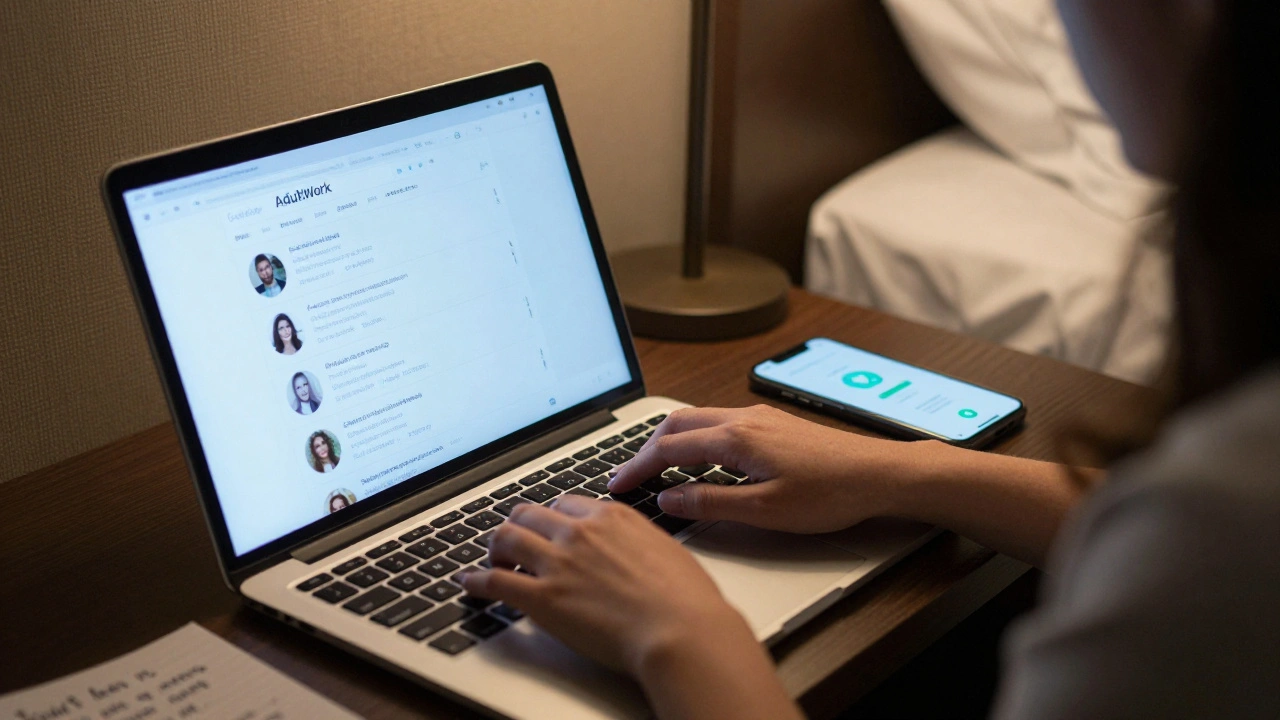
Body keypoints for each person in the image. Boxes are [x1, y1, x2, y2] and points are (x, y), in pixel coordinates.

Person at [458, 2, 1280, 718]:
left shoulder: (1214, 524)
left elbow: (1188, 536)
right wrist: (902, 472)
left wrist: (676, 633)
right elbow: (1135, 516)